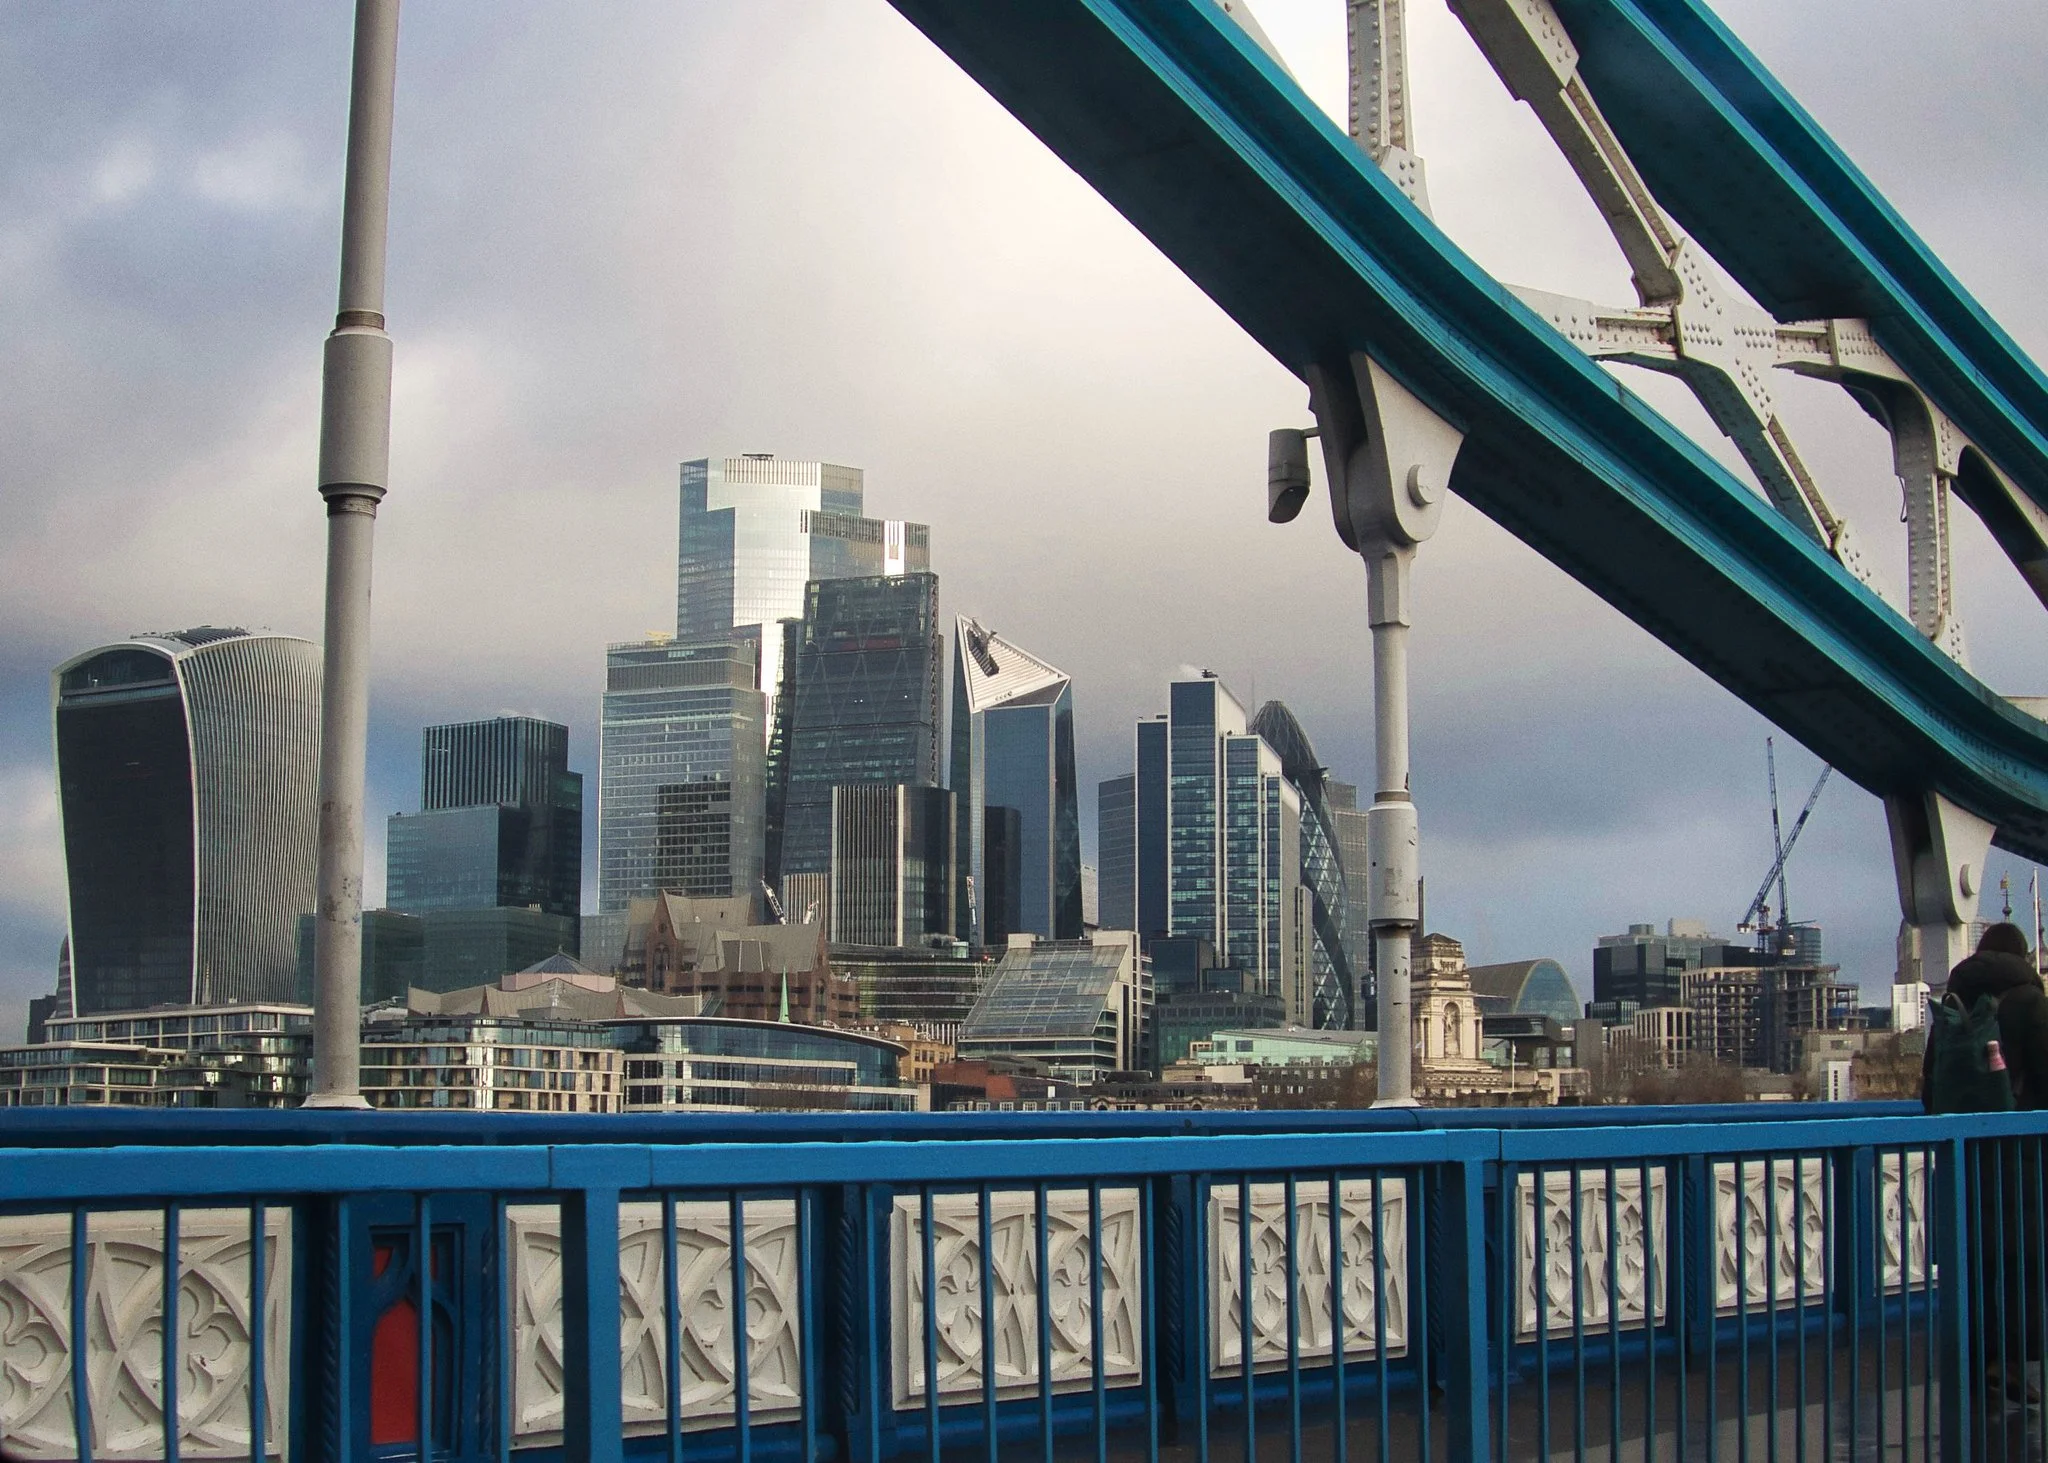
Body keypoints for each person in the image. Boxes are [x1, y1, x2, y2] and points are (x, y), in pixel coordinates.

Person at [1923, 921, 2048, 1405]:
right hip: (2021, 1156)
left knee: (1973, 1258)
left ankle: (1979, 1361)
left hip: (1962, 1153)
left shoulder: (1952, 1005)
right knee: (2024, 1261)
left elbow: (1932, 1083)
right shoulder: (2030, 1002)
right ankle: (2014, 1363)